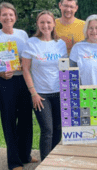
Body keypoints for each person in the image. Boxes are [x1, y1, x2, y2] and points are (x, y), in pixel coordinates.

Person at [0, 2, 37, 170]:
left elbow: (29, 55)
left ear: (15, 16)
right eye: (4, 15)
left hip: (24, 81)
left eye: (11, 14)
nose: (8, 17)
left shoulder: (23, 34)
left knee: (26, 120)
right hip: (7, 83)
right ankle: (13, 161)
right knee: (9, 121)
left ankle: (26, 155)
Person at [22, 10, 67, 161]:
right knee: (47, 130)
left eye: (48, 22)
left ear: (54, 24)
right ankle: (45, 167)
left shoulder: (60, 44)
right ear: (37, 24)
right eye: (42, 22)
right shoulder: (31, 43)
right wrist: (33, 93)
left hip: (60, 93)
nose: (45, 25)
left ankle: (54, 160)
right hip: (41, 95)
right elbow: (25, 69)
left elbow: (64, 69)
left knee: (58, 129)